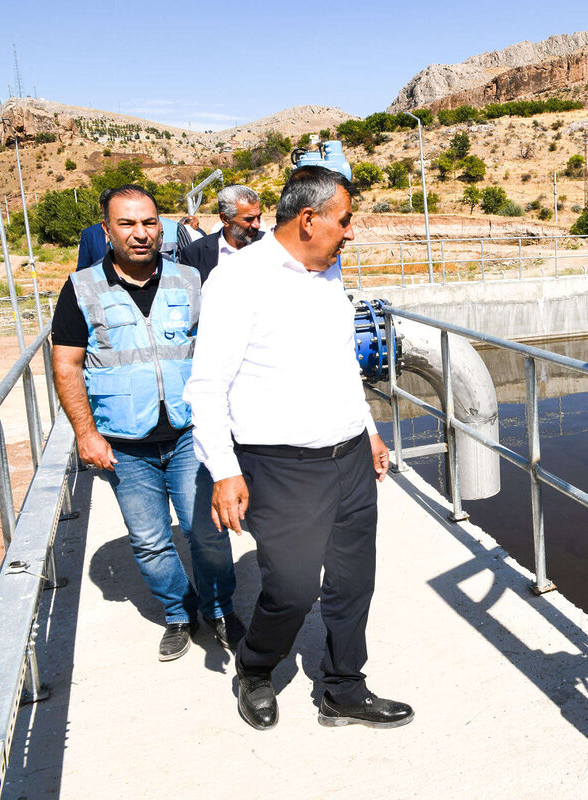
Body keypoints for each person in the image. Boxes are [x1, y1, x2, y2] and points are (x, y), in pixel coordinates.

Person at [184, 166, 411, 732]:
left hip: (351, 457)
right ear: (309, 219)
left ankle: (342, 687)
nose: (351, 232)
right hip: (280, 466)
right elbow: (206, 386)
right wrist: (224, 471)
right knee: (290, 588)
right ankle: (257, 669)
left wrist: (370, 429)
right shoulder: (238, 281)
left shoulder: (328, 271)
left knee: (354, 580)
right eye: (345, 219)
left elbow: (339, 363)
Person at [51, 184, 242, 661]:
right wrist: (86, 433)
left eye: (150, 222)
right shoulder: (81, 289)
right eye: (128, 223)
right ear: (106, 231)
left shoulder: (191, 281)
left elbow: (221, 353)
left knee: (208, 532)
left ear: (164, 226)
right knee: (151, 541)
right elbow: (66, 365)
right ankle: (179, 613)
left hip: (189, 436)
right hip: (124, 443)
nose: (141, 233)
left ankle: (219, 610)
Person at [178, 185, 265, 282]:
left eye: (259, 217)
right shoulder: (194, 253)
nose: (257, 225)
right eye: (249, 219)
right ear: (225, 219)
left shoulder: (270, 244)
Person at [74, 190, 111, 270]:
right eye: (107, 206)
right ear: (102, 207)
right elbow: (82, 269)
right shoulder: (89, 234)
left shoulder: (133, 232)